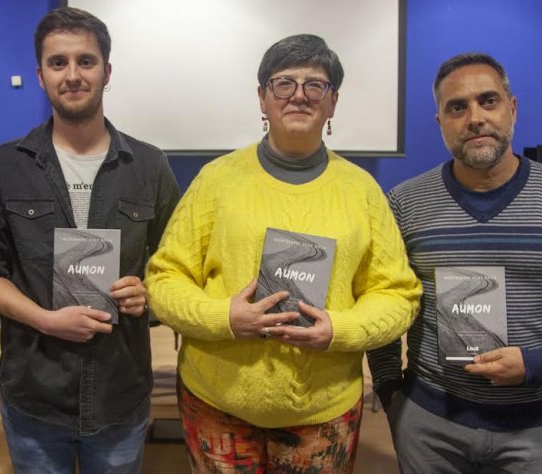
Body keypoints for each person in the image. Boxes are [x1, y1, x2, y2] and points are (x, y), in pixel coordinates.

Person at [144, 34, 421, 473]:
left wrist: (339, 329)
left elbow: (398, 294)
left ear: (332, 103)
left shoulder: (362, 192)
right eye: (283, 83)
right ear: (262, 97)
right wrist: (225, 319)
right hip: (217, 403)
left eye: (315, 85)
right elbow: (163, 279)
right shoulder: (216, 180)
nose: (299, 95)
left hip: (322, 410)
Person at [0, 7, 180, 473]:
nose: (73, 75)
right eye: (58, 63)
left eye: (86, 61)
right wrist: (44, 319)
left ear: (107, 71)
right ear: (40, 75)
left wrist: (150, 295)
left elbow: (176, 266)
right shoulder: (6, 165)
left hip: (120, 390)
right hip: (35, 392)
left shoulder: (149, 165)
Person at [367, 53, 542, 474]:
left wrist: (541, 363)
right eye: (457, 107)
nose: (474, 118)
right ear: (440, 122)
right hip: (428, 424)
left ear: (512, 108)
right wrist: (388, 389)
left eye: (488, 101)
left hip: (535, 427)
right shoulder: (404, 204)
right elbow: (384, 302)